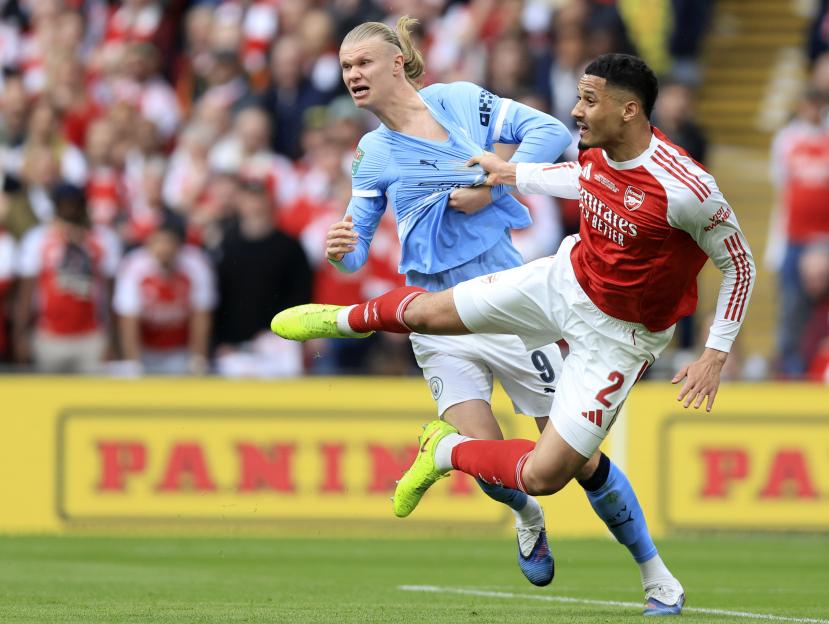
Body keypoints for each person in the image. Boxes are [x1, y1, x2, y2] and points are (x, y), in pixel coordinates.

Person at [273, 53, 757, 616]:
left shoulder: (689, 189)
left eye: (589, 99)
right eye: (578, 96)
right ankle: (339, 321)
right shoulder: (595, 149)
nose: (576, 110)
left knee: (549, 475)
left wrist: (715, 353)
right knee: (428, 314)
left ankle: (449, 453)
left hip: (619, 340)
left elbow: (739, 265)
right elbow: (585, 180)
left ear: (629, 110)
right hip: (562, 281)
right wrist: (511, 174)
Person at [328, 15, 567, 588]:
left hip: (507, 303)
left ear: (394, 63)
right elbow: (357, 249)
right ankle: (526, 517)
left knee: (570, 458)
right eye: (344, 67)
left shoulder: (459, 102)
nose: (352, 75)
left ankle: (651, 567)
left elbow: (552, 132)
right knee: (486, 463)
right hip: (436, 317)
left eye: (361, 63)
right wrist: (342, 249)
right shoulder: (371, 152)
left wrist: (493, 188)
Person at [113, 211, 216, 375]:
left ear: (180, 244)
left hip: (180, 350)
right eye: (158, 241)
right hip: (146, 350)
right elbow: (128, 319)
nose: (163, 248)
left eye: (169, 242)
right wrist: (133, 361)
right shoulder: (134, 266)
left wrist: (197, 358)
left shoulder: (196, 265)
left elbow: (201, 316)